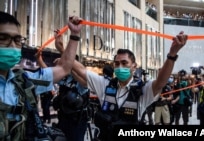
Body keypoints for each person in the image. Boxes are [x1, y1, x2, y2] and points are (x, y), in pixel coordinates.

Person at [72, 31, 188, 140]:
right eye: (117, 64)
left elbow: (160, 82)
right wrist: (72, 38)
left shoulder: (142, 89)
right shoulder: (105, 84)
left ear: (134, 66)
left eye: (124, 63)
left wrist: (172, 54)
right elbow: (81, 70)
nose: (120, 67)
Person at [0, 11, 82, 141]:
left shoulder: (24, 81)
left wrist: (75, 35)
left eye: (17, 40)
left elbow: (64, 68)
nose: (12, 46)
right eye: (3, 38)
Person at [51, 30, 90, 141]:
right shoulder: (65, 79)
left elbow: (83, 79)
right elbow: (49, 76)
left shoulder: (81, 81)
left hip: (76, 121)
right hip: (63, 117)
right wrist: (39, 59)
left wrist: (65, 57)